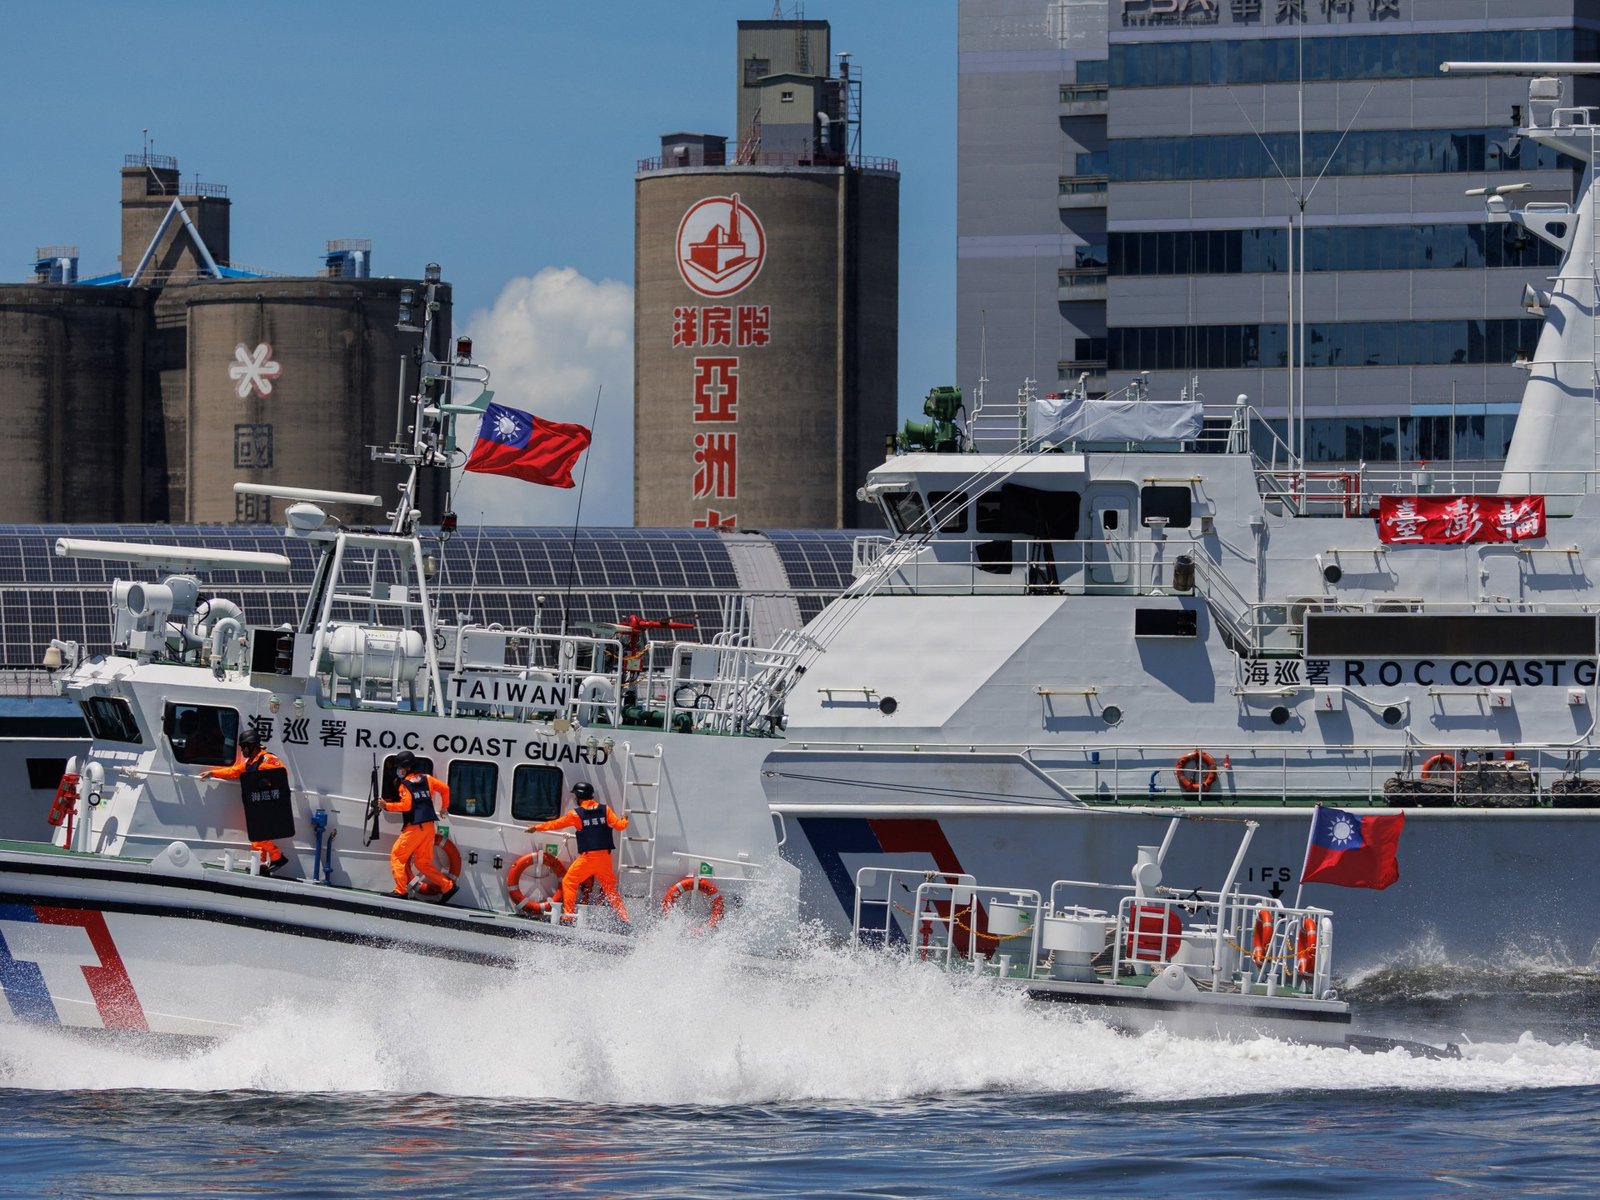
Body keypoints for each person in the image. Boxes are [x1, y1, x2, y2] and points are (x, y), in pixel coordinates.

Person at [528, 781, 630, 924]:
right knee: (610, 890)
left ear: (579, 797)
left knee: (569, 882)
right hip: (605, 858)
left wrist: (537, 828)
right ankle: (625, 918)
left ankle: (568, 916)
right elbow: (619, 826)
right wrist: (625, 819)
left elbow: (556, 824)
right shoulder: (605, 810)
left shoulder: (576, 814)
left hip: (588, 859)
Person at [199, 729, 290, 875]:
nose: (242, 751)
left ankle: (277, 857)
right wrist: (213, 773)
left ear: (252, 745)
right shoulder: (250, 763)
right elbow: (234, 772)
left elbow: (282, 773)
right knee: (256, 835)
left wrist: (265, 781)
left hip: (268, 804)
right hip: (257, 804)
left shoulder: (267, 759)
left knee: (259, 834)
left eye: (244, 747)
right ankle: (260, 864)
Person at [382, 750, 458, 903]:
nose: (398, 770)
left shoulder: (405, 785)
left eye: (399, 767)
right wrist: (444, 807)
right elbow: (445, 789)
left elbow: (406, 806)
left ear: (406, 767)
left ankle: (401, 890)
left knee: (397, 856)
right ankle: (447, 886)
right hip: (429, 827)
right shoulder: (427, 778)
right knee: (422, 862)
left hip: (415, 828)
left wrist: (386, 805)